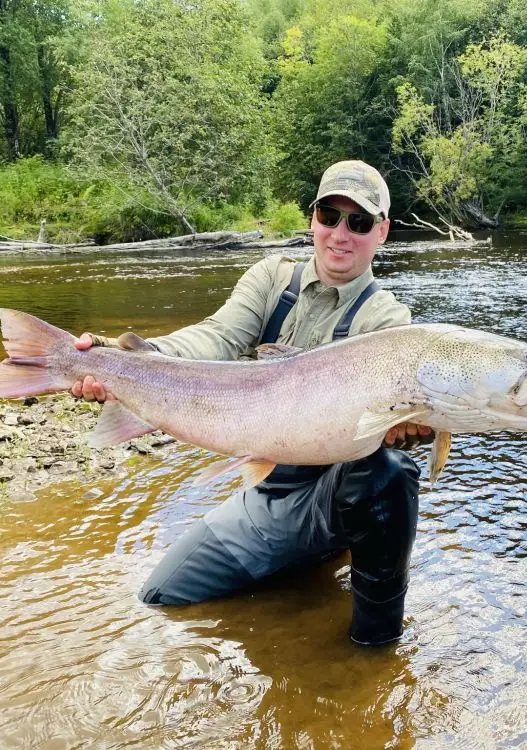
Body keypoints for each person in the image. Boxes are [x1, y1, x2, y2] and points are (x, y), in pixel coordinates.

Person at [71, 160, 432, 645]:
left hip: (334, 491)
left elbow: (398, 425)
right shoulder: (271, 279)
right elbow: (216, 337)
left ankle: (374, 651)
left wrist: (412, 426)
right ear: (313, 219)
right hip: (271, 492)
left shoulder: (389, 322)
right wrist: (142, 359)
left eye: (360, 222)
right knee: (161, 595)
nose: (341, 234)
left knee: (391, 469)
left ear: (382, 231)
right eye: (330, 216)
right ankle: (307, 558)